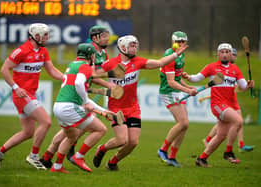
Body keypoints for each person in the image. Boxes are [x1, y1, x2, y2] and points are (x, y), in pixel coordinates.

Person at [92, 34, 188, 171]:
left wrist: (174, 55)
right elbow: (94, 76)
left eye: (136, 45)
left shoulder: (138, 61)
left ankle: (112, 162)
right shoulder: (111, 63)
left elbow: (160, 63)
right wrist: (109, 86)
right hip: (115, 107)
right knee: (121, 140)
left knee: (132, 143)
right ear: (123, 47)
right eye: (132, 45)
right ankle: (102, 149)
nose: (135, 48)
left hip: (133, 107)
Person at [0, 23, 64, 170]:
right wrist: (16, 88)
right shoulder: (21, 51)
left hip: (30, 94)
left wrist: (67, 78)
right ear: (36, 36)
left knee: (28, 132)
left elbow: (52, 70)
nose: (48, 38)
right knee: (46, 121)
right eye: (45, 35)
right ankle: (34, 156)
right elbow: (4, 69)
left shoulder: (43, 51)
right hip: (22, 95)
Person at [39, 25, 113, 168]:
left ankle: (49, 157)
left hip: (75, 95)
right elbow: (87, 76)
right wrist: (109, 83)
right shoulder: (88, 52)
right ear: (95, 38)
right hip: (76, 95)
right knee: (87, 128)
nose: (107, 38)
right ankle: (71, 156)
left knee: (73, 130)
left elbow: (90, 76)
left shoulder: (101, 54)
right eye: (104, 36)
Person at [182, 43, 254, 167]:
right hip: (218, 104)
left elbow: (243, 86)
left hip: (229, 105)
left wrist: (249, 85)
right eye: (222, 52)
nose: (225, 54)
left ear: (231, 54)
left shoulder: (235, 69)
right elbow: (197, 78)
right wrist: (188, 77)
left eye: (227, 52)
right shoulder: (212, 67)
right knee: (238, 121)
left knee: (220, 136)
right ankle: (229, 152)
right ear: (218, 54)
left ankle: (202, 159)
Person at [157, 31, 197, 167]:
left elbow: (178, 79)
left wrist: (189, 87)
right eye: (178, 41)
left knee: (184, 125)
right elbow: (171, 82)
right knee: (183, 123)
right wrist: (187, 91)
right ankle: (162, 149)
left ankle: (172, 157)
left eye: (183, 42)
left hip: (177, 92)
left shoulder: (182, 55)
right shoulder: (169, 55)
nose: (181, 44)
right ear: (173, 41)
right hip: (168, 92)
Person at [202, 48, 254, 153]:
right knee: (237, 120)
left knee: (232, 123)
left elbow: (239, 87)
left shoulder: (234, 69)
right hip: (224, 102)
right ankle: (230, 149)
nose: (234, 57)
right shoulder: (218, 69)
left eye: (234, 55)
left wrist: (247, 86)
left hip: (231, 101)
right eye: (233, 55)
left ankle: (204, 155)